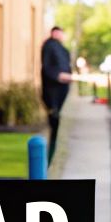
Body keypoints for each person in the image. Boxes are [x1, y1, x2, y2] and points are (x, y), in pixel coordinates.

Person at [41, 26, 74, 161]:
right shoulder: (49, 46)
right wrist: (58, 75)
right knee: (53, 116)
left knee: (57, 116)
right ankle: (51, 151)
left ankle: (53, 146)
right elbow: (46, 67)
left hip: (62, 87)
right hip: (53, 88)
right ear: (54, 33)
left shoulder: (60, 47)